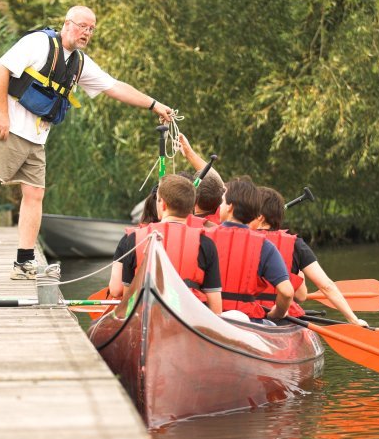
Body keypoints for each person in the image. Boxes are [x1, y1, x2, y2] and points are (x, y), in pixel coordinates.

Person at [0, 5, 174, 283]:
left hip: (37, 137)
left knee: (35, 193)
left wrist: (154, 104)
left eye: (91, 29)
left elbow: (114, 86)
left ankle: (24, 261)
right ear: (67, 24)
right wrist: (3, 115)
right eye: (82, 26)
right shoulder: (38, 43)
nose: (87, 33)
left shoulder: (79, 63)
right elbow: (0, 70)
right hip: (8, 126)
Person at [251, 186, 368, 327]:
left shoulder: (242, 241)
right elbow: (323, 287)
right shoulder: (296, 244)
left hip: (246, 315)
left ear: (259, 216)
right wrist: (354, 320)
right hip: (283, 318)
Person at [109, 175, 223, 315]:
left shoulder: (134, 239)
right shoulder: (206, 244)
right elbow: (216, 308)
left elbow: (128, 300)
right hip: (190, 319)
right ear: (192, 206)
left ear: (162, 204)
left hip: (146, 316)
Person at [211, 177, 294, 323]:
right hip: (248, 321)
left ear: (230, 207)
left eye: (222, 202)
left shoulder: (203, 237)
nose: (220, 206)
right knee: (271, 324)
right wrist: (277, 314)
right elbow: (287, 292)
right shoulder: (265, 246)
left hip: (206, 317)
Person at [177, 134, 224, 225]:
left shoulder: (187, 223)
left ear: (194, 199)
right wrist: (189, 153)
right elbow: (220, 183)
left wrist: (189, 153)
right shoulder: (223, 216)